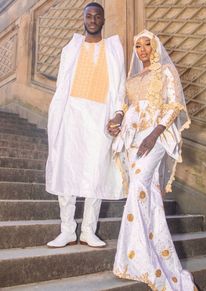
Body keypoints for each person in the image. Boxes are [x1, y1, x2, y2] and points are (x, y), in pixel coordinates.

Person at [109, 30, 198, 290]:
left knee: (138, 187)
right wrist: (116, 121)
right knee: (148, 194)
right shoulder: (133, 78)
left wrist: (154, 135)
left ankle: (141, 261)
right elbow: (125, 107)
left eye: (147, 44)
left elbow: (174, 105)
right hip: (132, 137)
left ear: (155, 46)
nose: (143, 49)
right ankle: (149, 254)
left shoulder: (166, 72)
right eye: (138, 45)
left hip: (156, 136)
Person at [46, 2, 125, 248]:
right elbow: (61, 87)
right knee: (65, 168)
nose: (92, 19)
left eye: (97, 16)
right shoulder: (71, 48)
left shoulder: (114, 49)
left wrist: (118, 114)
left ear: (103, 20)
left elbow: (120, 87)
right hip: (72, 115)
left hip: (100, 116)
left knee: (95, 172)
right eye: (88, 16)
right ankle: (67, 229)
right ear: (83, 20)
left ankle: (88, 231)